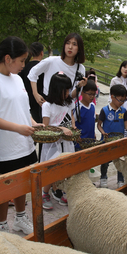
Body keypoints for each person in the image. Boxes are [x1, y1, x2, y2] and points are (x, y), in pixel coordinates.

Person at [0, 36, 36, 234]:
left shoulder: (18, 78)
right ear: (8, 58)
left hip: (25, 143)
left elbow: (23, 108)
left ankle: (20, 217)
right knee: (4, 186)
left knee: (22, 182)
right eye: (21, 61)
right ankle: (2, 224)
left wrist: (32, 123)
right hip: (5, 145)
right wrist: (19, 128)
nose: (23, 65)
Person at [41, 72, 77, 207]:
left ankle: (59, 190)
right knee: (51, 168)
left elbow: (71, 116)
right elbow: (46, 127)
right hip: (53, 144)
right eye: (66, 90)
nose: (68, 92)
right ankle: (45, 192)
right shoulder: (47, 106)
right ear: (57, 89)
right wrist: (61, 129)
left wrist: (73, 127)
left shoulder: (68, 103)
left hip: (67, 142)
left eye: (69, 89)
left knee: (64, 167)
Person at [28, 33, 87, 107]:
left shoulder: (80, 68)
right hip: (48, 104)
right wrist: (35, 94)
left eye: (74, 44)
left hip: (65, 108)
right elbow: (33, 73)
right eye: (68, 43)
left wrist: (79, 86)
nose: (70, 47)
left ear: (79, 49)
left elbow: (72, 95)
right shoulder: (51, 61)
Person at [98, 84, 127, 187]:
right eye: (120, 100)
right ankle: (103, 178)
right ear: (112, 96)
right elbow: (99, 125)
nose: (122, 102)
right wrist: (102, 132)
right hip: (106, 142)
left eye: (124, 100)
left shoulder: (123, 111)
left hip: (119, 142)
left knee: (120, 161)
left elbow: (126, 126)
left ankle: (120, 180)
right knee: (105, 161)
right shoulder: (105, 110)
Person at [19, 42, 45, 124]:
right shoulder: (43, 68)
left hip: (28, 101)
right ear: (42, 53)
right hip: (42, 101)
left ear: (31, 53)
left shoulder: (24, 68)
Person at [73, 79, 98, 150]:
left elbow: (91, 122)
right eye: (89, 94)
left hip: (90, 142)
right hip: (80, 144)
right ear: (82, 93)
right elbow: (73, 125)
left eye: (94, 94)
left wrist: (94, 134)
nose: (92, 97)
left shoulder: (92, 106)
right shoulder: (78, 107)